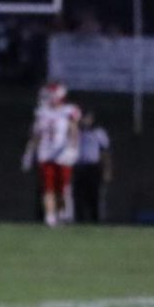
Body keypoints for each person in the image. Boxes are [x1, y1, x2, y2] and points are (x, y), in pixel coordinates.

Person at [21, 82, 80, 227]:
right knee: (48, 188)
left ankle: (62, 214)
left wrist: (73, 148)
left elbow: (73, 130)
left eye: (49, 95)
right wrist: (29, 153)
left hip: (62, 154)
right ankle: (50, 217)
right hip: (45, 154)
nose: (46, 98)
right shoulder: (42, 112)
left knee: (63, 189)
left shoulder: (68, 111)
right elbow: (36, 135)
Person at [73, 109, 112, 222]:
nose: (86, 121)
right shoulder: (77, 132)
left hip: (93, 167)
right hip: (80, 166)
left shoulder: (99, 133)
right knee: (79, 195)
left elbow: (105, 152)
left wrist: (107, 170)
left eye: (88, 118)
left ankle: (96, 219)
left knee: (94, 194)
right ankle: (79, 219)